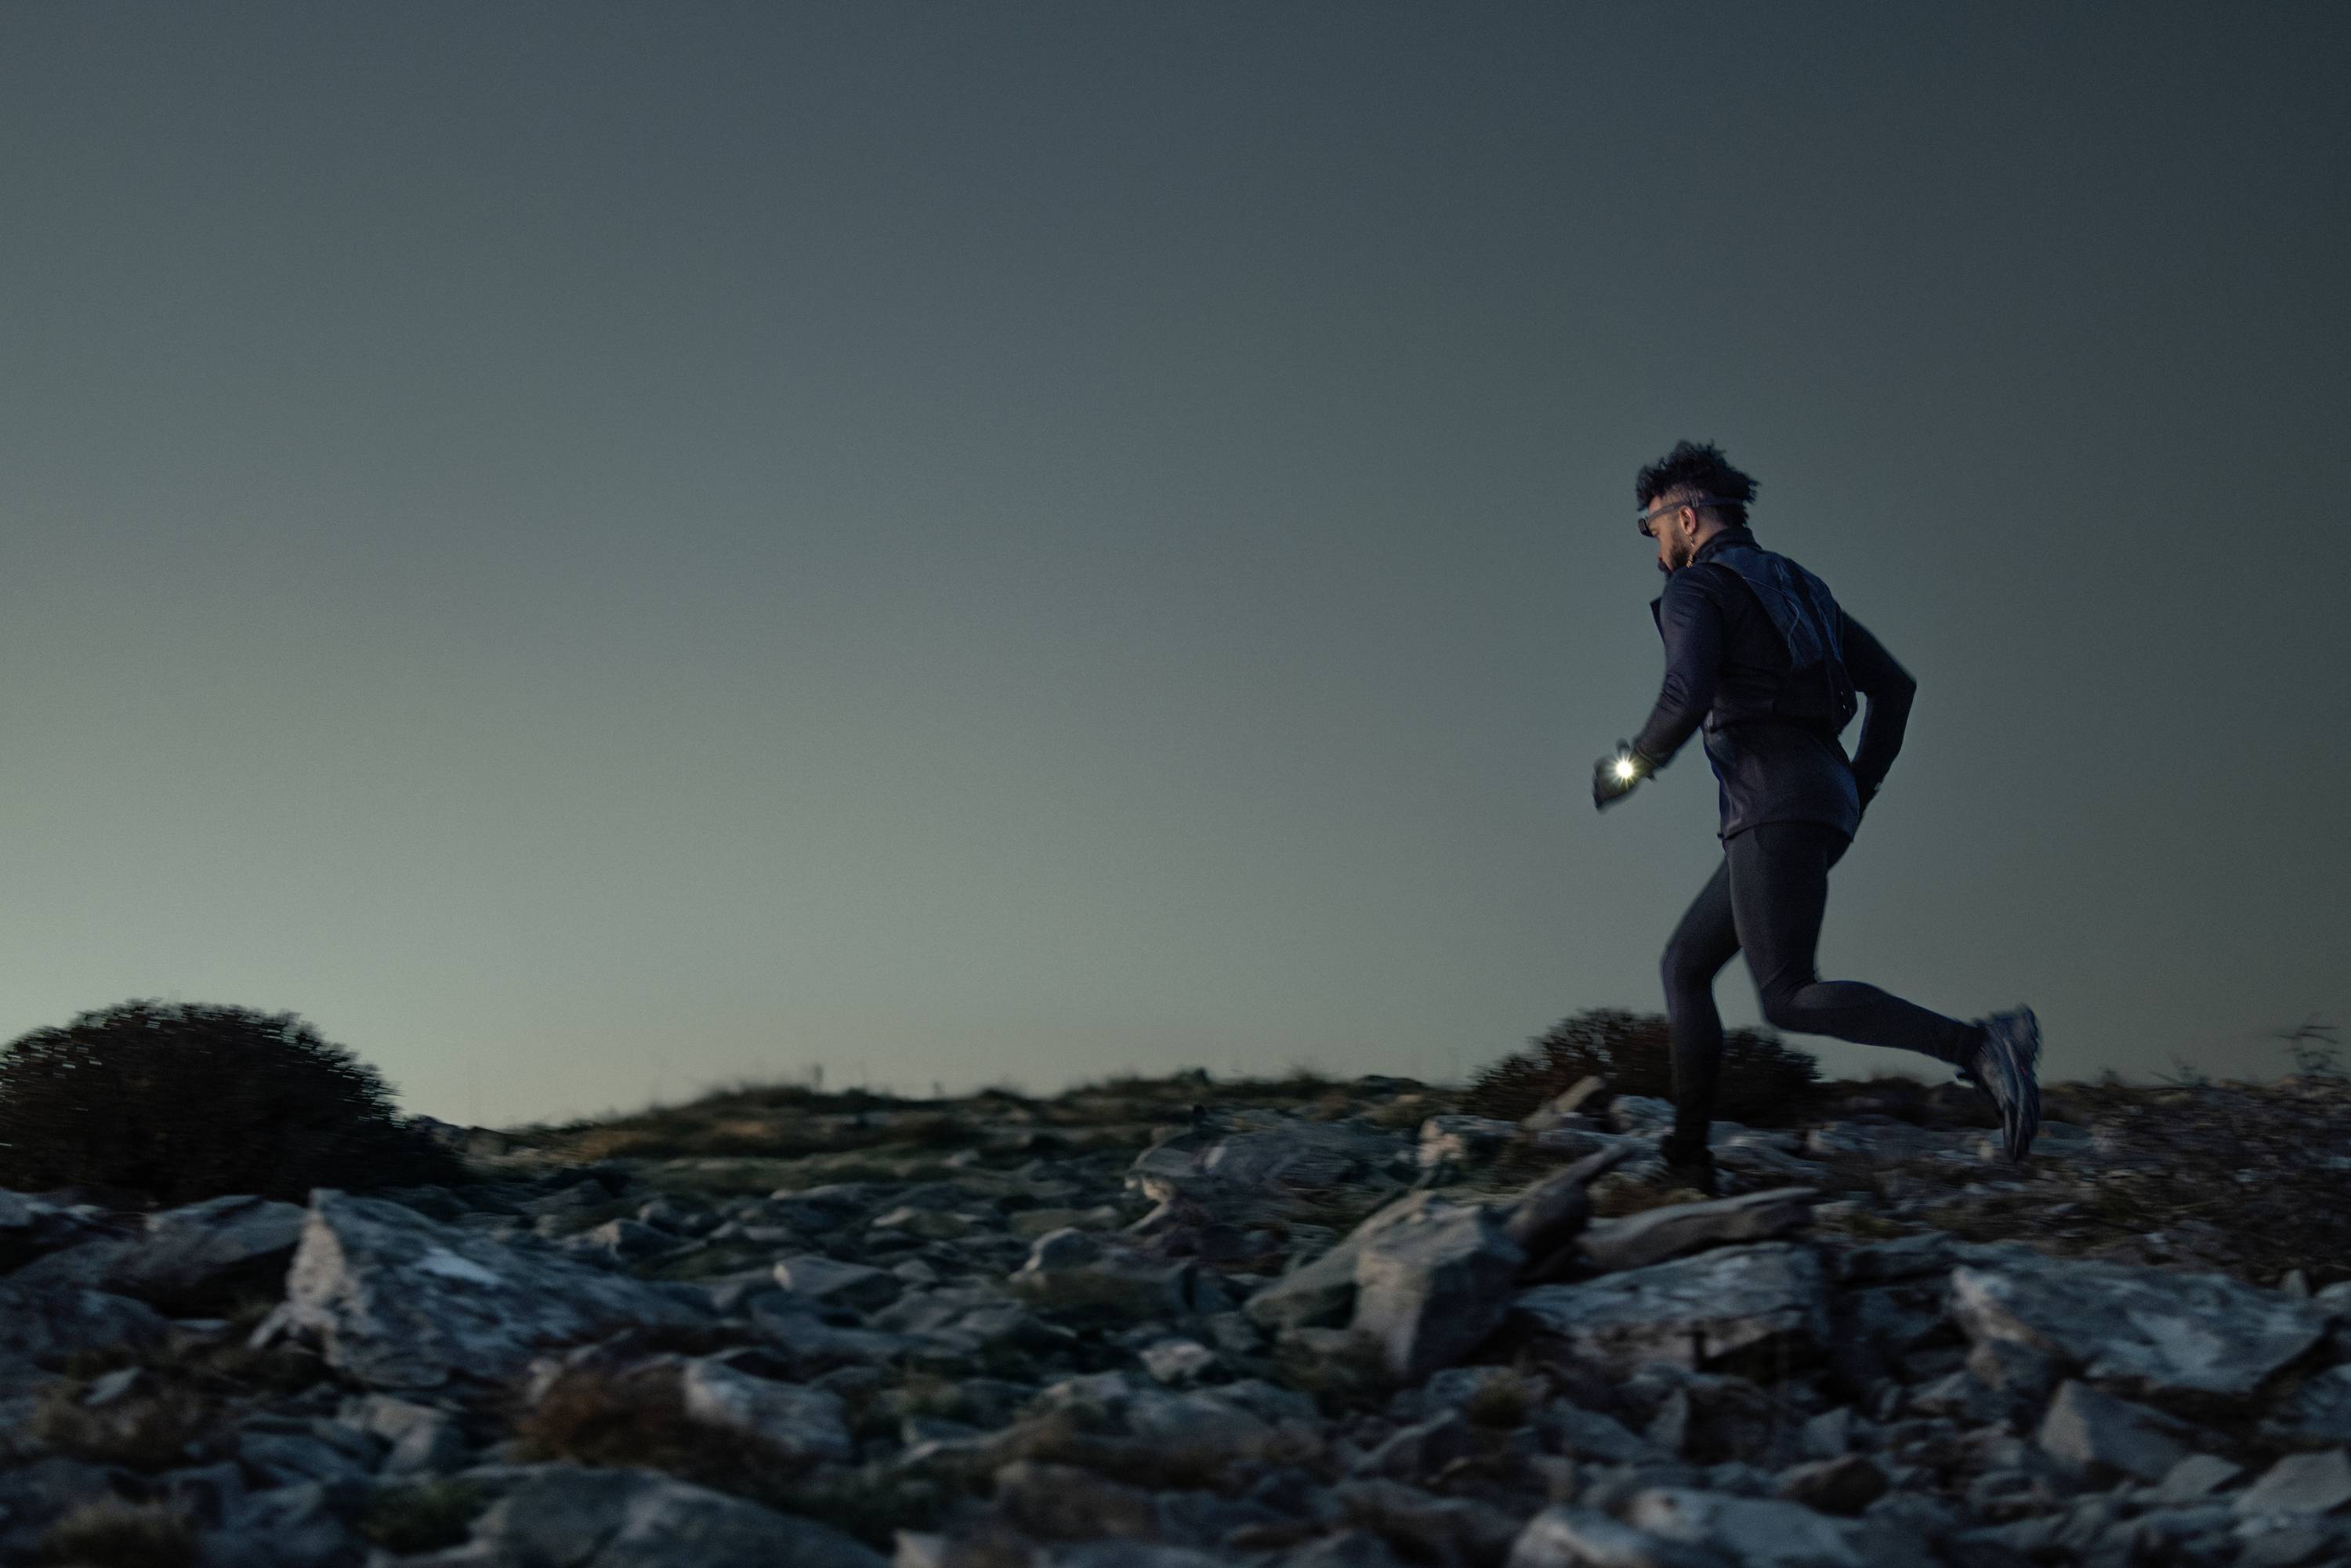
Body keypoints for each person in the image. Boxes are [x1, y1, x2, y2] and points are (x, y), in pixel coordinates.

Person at [1589, 440, 2040, 1194]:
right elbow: (1894, 688)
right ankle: (1688, 1158)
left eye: (1651, 526)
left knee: (1789, 992)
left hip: (1772, 803)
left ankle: (1981, 1045)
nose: (1652, 543)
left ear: (1687, 517)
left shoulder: (1696, 590)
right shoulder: (1805, 587)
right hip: (1815, 799)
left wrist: (1631, 765)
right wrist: (1858, 786)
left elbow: (1685, 697)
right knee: (1687, 965)